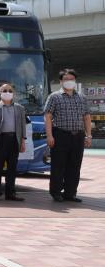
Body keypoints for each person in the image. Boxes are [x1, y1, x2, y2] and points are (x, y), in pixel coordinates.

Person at [44, 69, 92, 203]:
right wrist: (49, 135)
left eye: (72, 79)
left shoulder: (82, 97)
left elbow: (87, 117)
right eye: (66, 79)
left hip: (78, 136)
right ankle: (56, 192)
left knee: (75, 166)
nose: (69, 81)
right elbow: (48, 116)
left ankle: (70, 193)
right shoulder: (54, 97)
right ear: (61, 81)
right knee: (58, 165)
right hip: (60, 135)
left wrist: (88, 135)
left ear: (75, 81)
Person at [0, 83, 27, 202]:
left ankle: (11, 193)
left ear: (13, 93)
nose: (7, 92)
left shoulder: (20, 108)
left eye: (10, 90)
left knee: (12, 168)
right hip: (0, 140)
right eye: (4, 90)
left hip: (14, 140)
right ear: (0, 93)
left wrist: (23, 141)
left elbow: (22, 126)